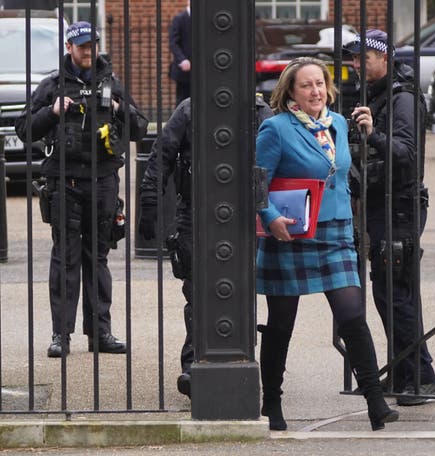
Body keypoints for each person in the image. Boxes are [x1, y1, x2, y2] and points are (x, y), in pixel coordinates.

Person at [256, 56, 398, 431]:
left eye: (320, 83)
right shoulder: (276, 129)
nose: (316, 91)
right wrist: (270, 218)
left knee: (352, 316)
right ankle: (271, 402)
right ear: (291, 92)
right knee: (281, 323)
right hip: (292, 234)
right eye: (307, 85)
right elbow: (256, 183)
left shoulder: (337, 122)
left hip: (336, 232)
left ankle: (375, 402)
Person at [15, 21, 148, 358]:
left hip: (103, 182)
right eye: (83, 46)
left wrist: (119, 109)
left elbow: (140, 129)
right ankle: (62, 335)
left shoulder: (112, 84)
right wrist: (53, 111)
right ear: (69, 48)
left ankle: (100, 332)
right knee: (65, 259)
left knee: (98, 259)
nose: (89, 51)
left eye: (94, 45)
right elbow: (24, 129)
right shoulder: (53, 85)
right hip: (64, 183)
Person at [138, 94, 273, 398]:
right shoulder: (190, 108)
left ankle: (239, 360)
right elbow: (162, 155)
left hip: (242, 215)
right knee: (197, 291)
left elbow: (267, 163)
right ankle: (194, 365)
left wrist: (264, 212)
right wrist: (150, 200)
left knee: (239, 290)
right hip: (194, 213)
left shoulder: (259, 110)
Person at [344, 29, 435, 405]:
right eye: (353, 58)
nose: (355, 64)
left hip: (399, 205)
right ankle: (405, 373)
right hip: (379, 204)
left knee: (396, 294)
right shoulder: (377, 94)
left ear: (385, 57)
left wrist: (373, 135)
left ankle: (420, 378)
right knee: (389, 294)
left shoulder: (401, 98)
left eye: (362, 57)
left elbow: (407, 154)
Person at [168, 1, 192, 106]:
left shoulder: (202, 19)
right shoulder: (179, 19)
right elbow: (173, 43)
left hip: (200, 70)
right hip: (184, 70)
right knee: (183, 101)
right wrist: (183, 59)